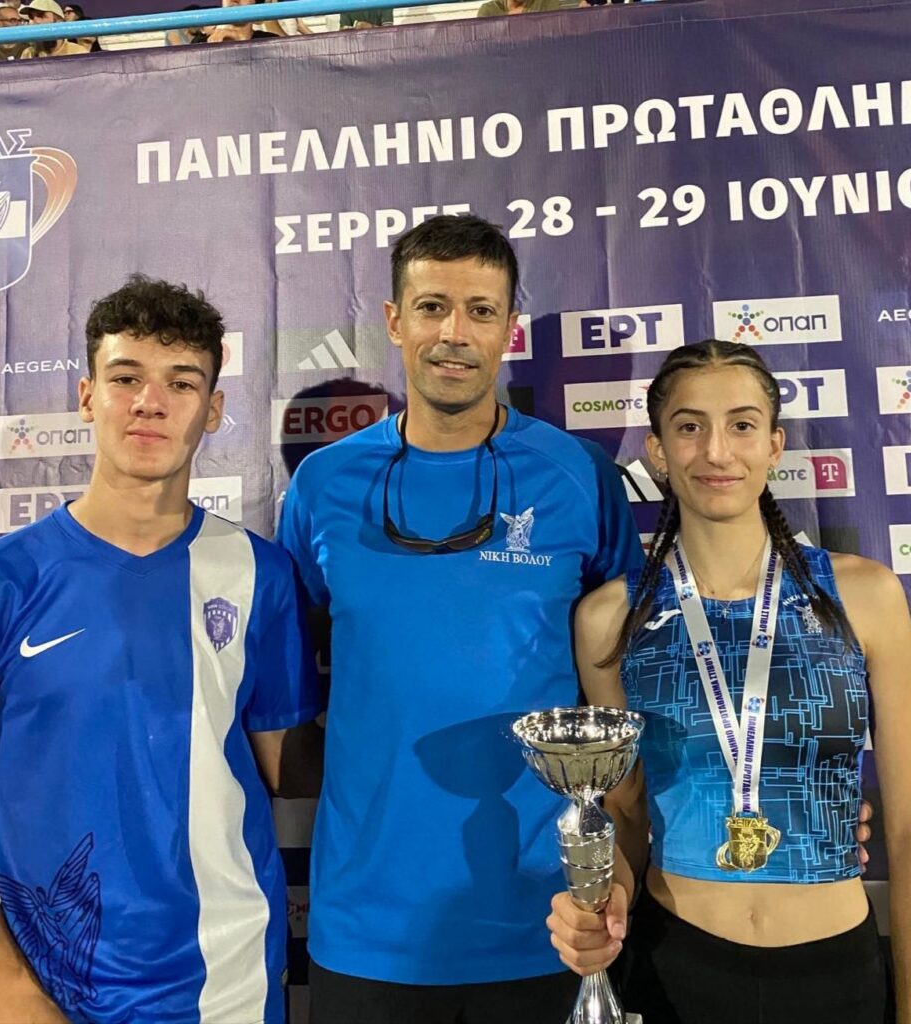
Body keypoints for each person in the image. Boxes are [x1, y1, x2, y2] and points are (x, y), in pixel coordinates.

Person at [276, 213, 642, 1024]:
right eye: (432, 307)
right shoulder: (323, 484)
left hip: (551, 920)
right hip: (368, 928)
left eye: (481, 311)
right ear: (393, 320)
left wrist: (623, 865)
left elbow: (622, 684)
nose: (455, 333)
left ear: (509, 328)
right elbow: (289, 668)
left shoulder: (578, 475)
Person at [547, 340, 911, 1024]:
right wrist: (604, 899)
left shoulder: (866, 596)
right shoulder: (610, 618)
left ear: (774, 446)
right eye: (689, 426)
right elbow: (625, 812)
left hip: (837, 971)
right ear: (657, 451)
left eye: (742, 425)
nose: (716, 451)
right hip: (675, 967)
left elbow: (908, 827)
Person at [0, 275, 322, 1024]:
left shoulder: (261, 573)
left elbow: (285, 765)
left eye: (181, 383)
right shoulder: (12, 577)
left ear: (213, 409)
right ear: (87, 397)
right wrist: (11, 985)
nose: (150, 402)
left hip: (226, 975)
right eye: (126, 378)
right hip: (46, 982)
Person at [19, 0, 89, 56]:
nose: (34, 21)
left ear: (59, 22)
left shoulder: (78, 53)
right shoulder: (28, 54)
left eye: (41, 15)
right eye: (31, 17)